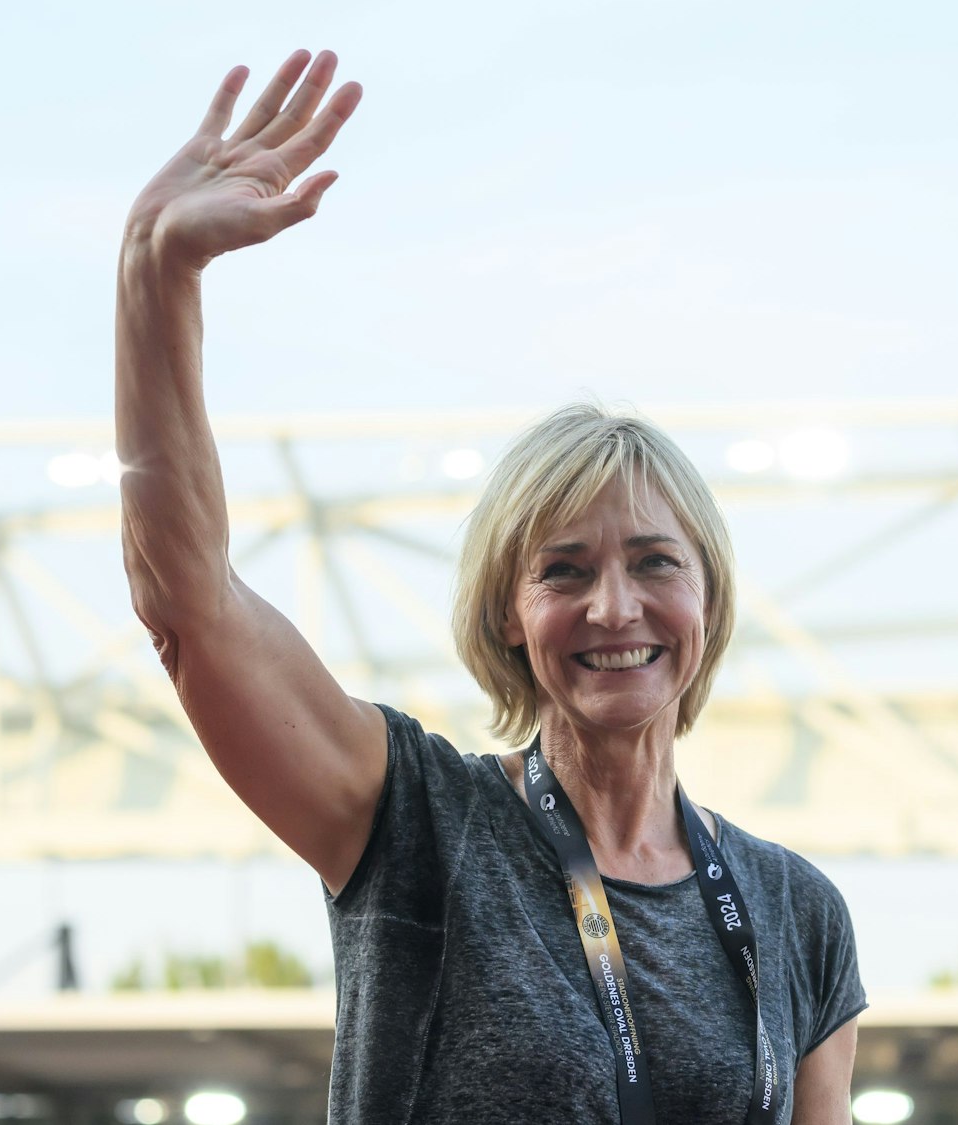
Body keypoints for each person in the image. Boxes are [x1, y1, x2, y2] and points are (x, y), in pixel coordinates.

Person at [116, 48, 867, 1124]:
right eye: (564, 570)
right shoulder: (419, 824)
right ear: (509, 615)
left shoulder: (796, 913)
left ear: (708, 596)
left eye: (655, 561)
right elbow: (188, 605)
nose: (614, 607)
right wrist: (156, 276)